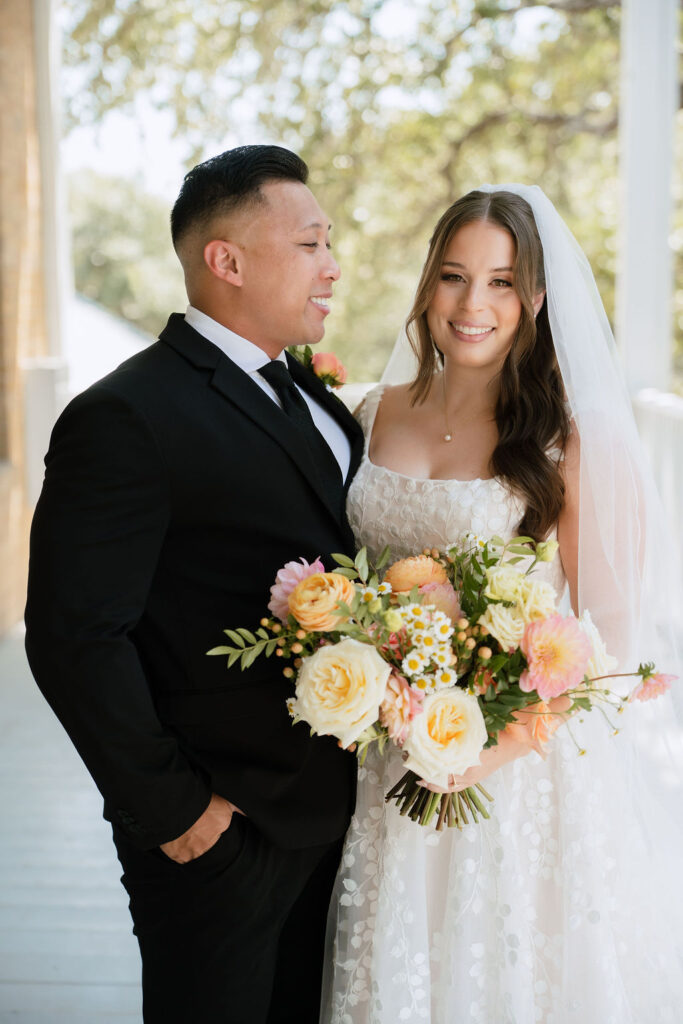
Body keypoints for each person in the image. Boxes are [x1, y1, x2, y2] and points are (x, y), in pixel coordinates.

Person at [322, 186, 683, 1022]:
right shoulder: (371, 416)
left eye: (500, 282)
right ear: (426, 286)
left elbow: (607, 647)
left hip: (511, 776)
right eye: (452, 277)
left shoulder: (566, 437)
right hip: (387, 756)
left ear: (536, 299)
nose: (471, 304)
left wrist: (481, 753)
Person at [24, 144, 365, 1023]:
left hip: (336, 819)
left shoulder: (312, 397)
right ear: (227, 260)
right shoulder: (125, 416)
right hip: (221, 835)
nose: (333, 266)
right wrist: (179, 815)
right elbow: (74, 637)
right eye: (311, 244)